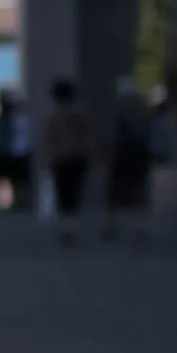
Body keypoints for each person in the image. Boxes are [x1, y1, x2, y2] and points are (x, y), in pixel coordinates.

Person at [42, 78, 92, 245]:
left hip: (61, 159)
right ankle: (70, 226)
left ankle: (66, 227)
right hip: (77, 158)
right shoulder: (79, 116)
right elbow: (87, 139)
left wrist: (48, 159)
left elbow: (50, 141)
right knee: (74, 193)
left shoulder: (54, 118)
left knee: (63, 194)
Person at [104, 79, 153, 240]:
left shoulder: (118, 109)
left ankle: (110, 225)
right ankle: (141, 227)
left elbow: (113, 135)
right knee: (139, 190)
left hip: (121, 153)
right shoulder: (143, 109)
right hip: (140, 154)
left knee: (114, 192)